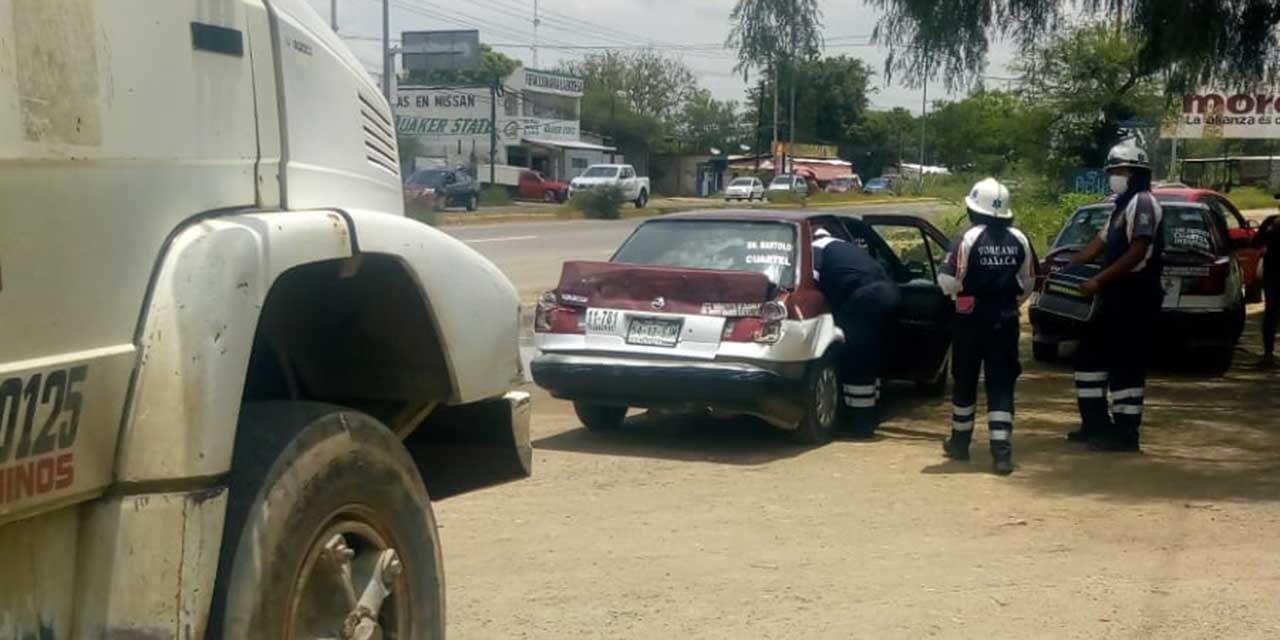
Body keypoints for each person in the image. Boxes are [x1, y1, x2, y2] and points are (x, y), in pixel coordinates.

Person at [1066, 142, 1164, 452]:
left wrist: (1097, 280)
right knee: (1089, 357)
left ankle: (1125, 433)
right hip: (1114, 295)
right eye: (1112, 172)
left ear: (1135, 173)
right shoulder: (1121, 206)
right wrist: (1065, 267)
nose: (1114, 177)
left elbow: (1137, 252)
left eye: (1119, 172)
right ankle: (1095, 424)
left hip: (1135, 295)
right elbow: (1097, 244)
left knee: (1126, 365)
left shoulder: (1144, 203)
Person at [937, 178, 1036, 475]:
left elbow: (946, 282)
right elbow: (1029, 282)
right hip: (1005, 320)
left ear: (973, 210)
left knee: (965, 381)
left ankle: (959, 444)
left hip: (969, 322)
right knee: (1001, 384)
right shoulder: (1019, 238)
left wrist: (961, 296)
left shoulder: (966, 239)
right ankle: (1002, 454)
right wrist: (1007, 302)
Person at [813, 226, 901, 436]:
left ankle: (860, 427)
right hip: (889, 294)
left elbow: (812, 280)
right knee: (871, 358)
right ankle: (871, 417)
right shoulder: (845, 246)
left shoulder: (816, 248)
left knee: (856, 358)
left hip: (865, 298)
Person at [1254, 208, 1280, 366]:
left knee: (1271, 313)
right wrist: (1270, 231)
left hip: (1273, 275)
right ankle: (1268, 353)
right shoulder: (1271, 222)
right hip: (1273, 275)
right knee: (1271, 313)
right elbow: (1256, 243)